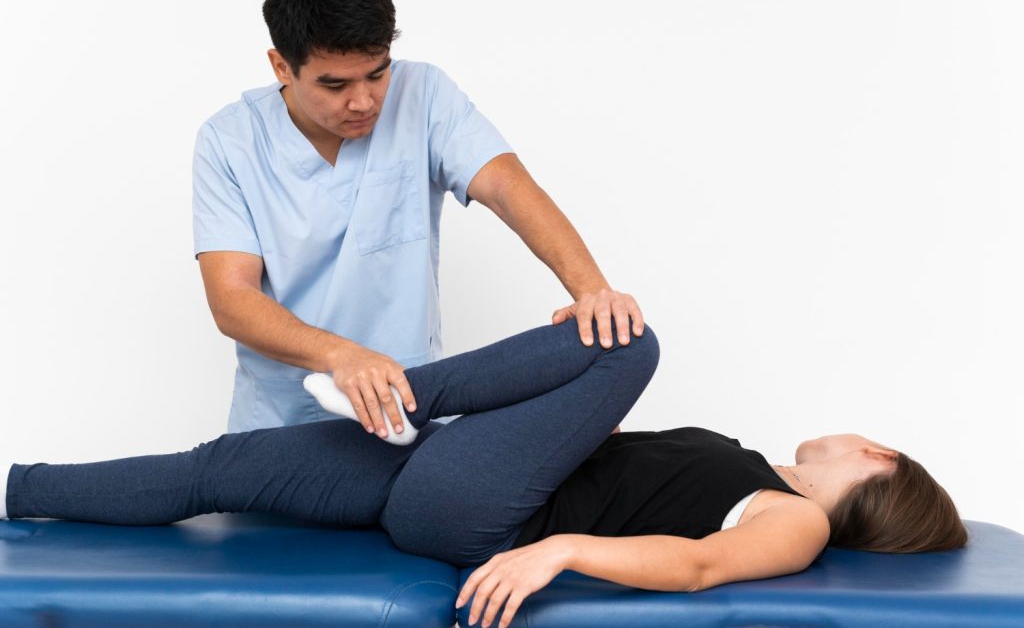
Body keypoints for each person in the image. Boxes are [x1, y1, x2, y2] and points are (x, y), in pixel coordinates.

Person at [0, 320, 966, 628]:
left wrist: (562, 551)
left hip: (480, 512)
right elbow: (613, 465)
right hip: (432, 478)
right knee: (216, 468)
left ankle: (392, 389)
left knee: (630, 338)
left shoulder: (795, 522)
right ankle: (19, 485)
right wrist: (563, 380)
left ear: (878, 457)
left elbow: (700, 567)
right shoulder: (745, 459)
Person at [193, 0, 645, 437]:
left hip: (408, 413)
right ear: (282, 66)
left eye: (377, 72)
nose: (364, 101)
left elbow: (508, 187)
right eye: (335, 84)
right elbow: (232, 297)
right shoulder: (229, 141)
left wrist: (592, 290)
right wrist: (340, 355)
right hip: (284, 422)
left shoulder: (424, 94)